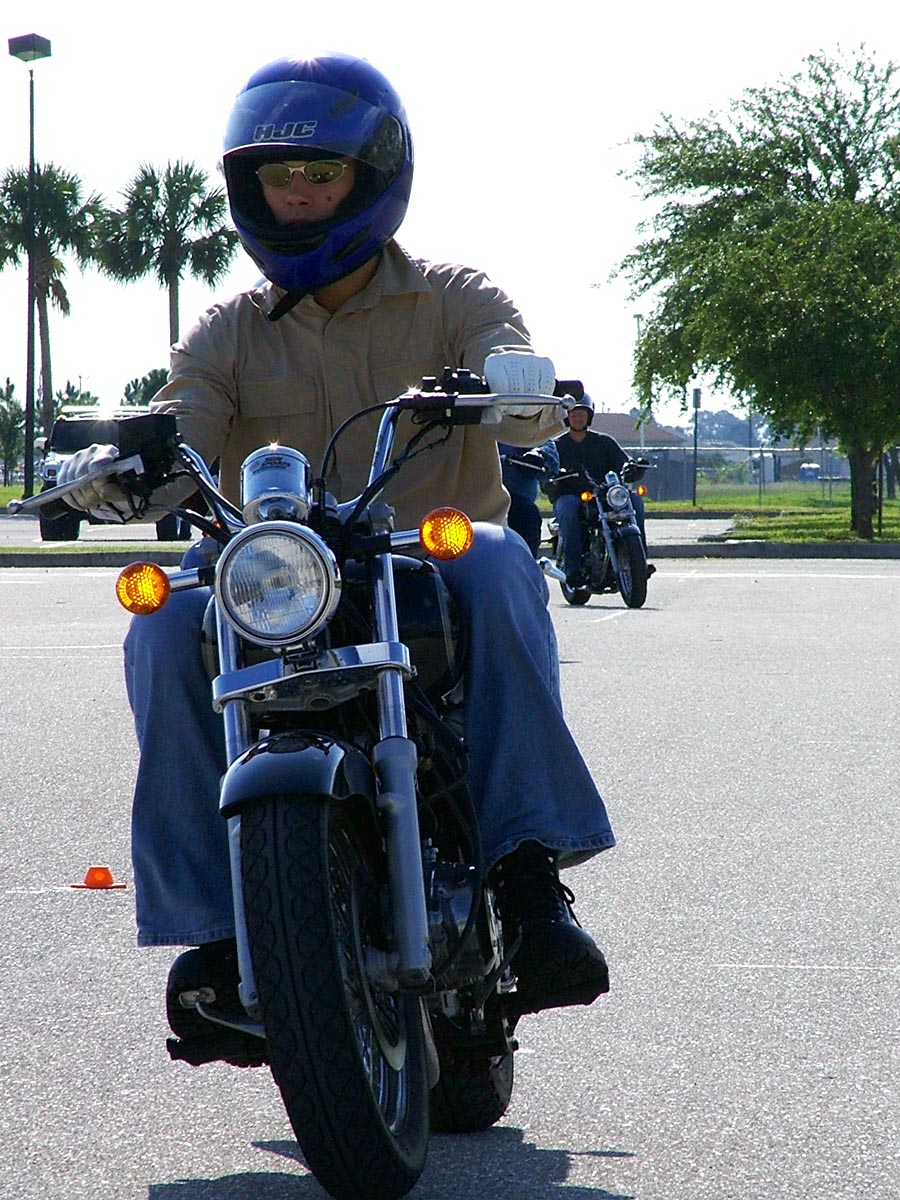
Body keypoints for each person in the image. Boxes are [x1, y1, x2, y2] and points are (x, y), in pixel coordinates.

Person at [58, 53, 615, 1046]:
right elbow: (184, 432)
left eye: (323, 173)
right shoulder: (226, 333)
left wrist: (516, 388)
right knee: (161, 622)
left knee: (497, 559)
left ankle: (530, 882)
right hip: (276, 572)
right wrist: (122, 472)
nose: (302, 194)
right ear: (252, 189)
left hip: (424, 559)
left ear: (373, 175)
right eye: (281, 177)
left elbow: (511, 368)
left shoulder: (451, 296)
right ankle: (216, 933)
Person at [551, 395, 649, 586]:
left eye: (581, 414)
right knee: (569, 508)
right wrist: (552, 479)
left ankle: (641, 563)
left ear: (589, 416)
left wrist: (634, 467)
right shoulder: (556, 445)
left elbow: (624, 463)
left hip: (604, 494)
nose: (577, 418)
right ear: (566, 417)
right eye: (573, 414)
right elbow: (547, 470)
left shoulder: (604, 442)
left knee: (635, 500)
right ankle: (573, 569)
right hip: (571, 494)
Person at [498, 437, 559, 556]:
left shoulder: (519, 428)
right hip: (477, 501)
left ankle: (526, 563)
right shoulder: (473, 430)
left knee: (528, 514)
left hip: (517, 503)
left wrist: (538, 454)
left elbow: (541, 439)